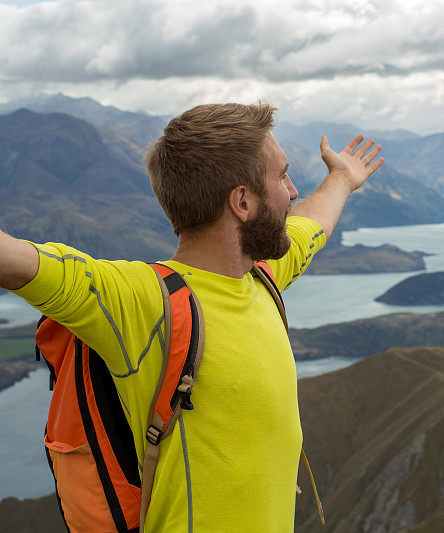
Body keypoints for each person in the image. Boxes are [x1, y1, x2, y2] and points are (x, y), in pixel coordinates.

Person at [0, 102, 384, 531]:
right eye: (281, 176)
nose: (293, 191)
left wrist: (343, 179)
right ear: (242, 201)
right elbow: (18, 262)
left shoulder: (260, 277)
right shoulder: (142, 303)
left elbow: (312, 227)